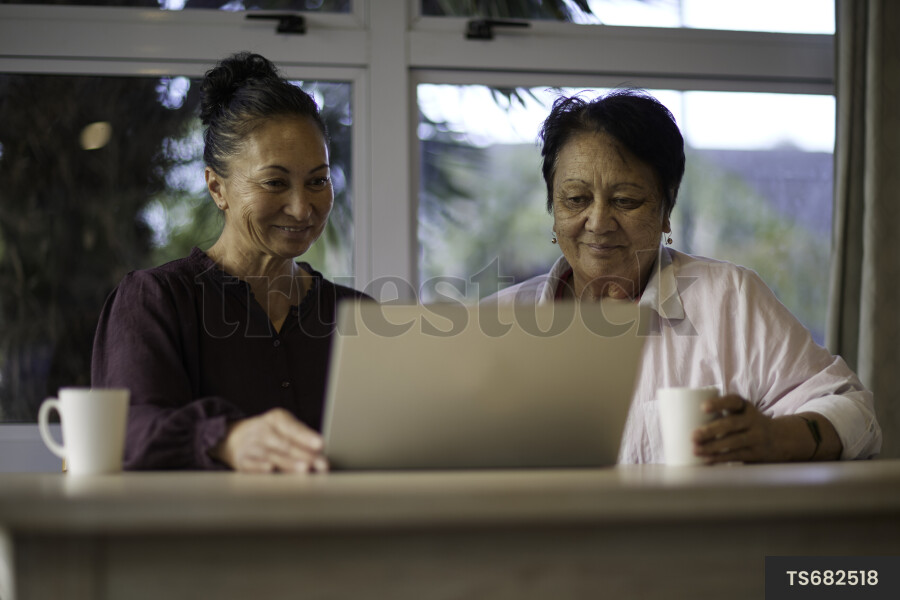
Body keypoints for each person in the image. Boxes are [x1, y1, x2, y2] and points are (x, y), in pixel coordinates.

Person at [487, 89, 881, 464]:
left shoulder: (730, 299)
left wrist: (776, 438)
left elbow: (853, 409)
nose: (599, 222)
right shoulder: (496, 323)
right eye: (575, 199)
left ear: (666, 209)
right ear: (552, 207)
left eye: (626, 201)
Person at [92, 52, 368, 473]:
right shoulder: (155, 301)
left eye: (318, 181)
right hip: (205, 539)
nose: (302, 207)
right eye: (275, 182)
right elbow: (128, 430)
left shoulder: (359, 315)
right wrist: (226, 438)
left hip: (345, 538)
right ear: (217, 187)